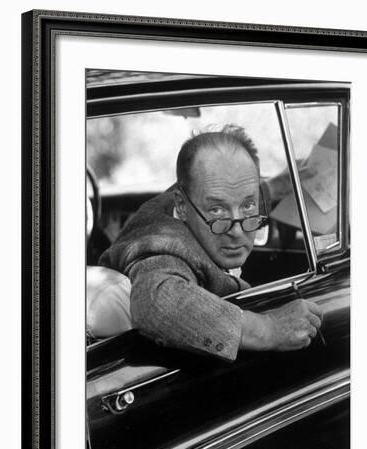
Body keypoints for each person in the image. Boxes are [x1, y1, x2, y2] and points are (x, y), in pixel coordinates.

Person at [99, 125, 322, 362]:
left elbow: (231, 194)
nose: (237, 231)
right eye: (217, 210)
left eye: (248, 205)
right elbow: (156, 302)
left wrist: (275, 187)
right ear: (182, 205)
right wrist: (268, 328)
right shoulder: (162, 249)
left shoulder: (191, 197)